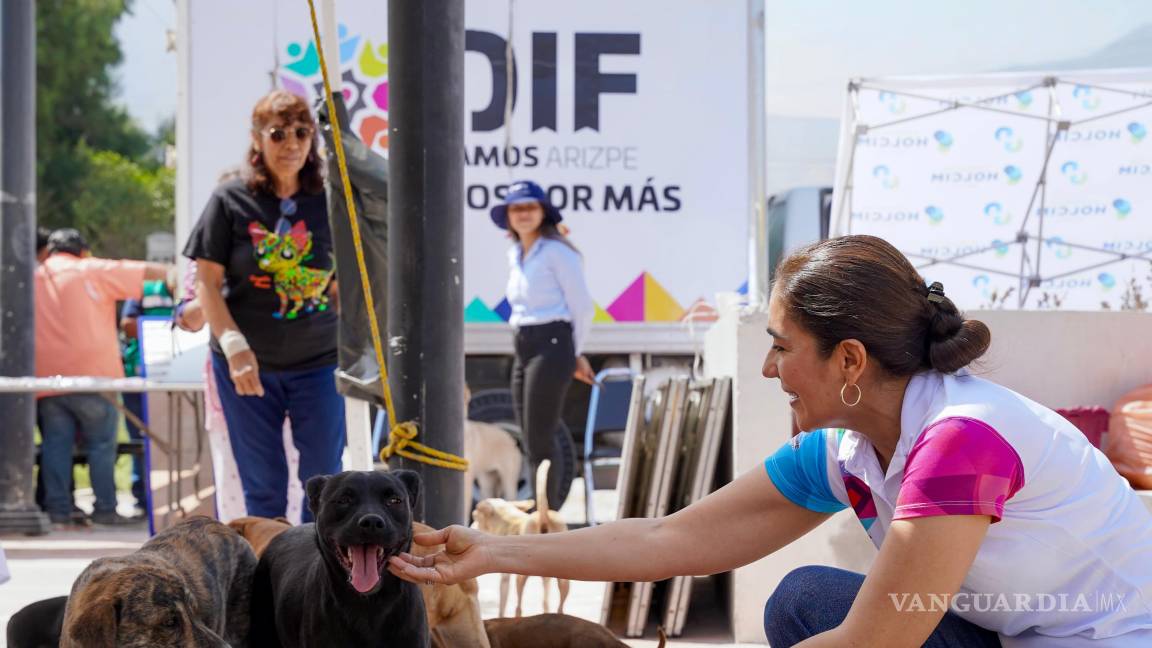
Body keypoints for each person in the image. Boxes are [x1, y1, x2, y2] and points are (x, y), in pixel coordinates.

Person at [390, 235, 1152, 647]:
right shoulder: (847, 447)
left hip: (1109, 637)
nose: (767, 369)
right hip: (1012, 630)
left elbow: (872, 644)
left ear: (849, 361)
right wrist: (490, 552)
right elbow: (668, 539)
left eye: (782, 347)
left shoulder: (961, 442)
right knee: (805, 600)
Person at [183, 89, 342, 521]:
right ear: (257, 139)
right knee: (263, 486)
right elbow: (207, 284)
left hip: (319, 361)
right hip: (246, 365)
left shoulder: (331, 200)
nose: (291, 144)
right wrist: (234, 347)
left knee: (325, 482)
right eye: (278, 134)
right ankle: (271, 563)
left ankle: (317, 562)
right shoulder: (229, 199)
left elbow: (349, 279)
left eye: (301, 133)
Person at [34, 229, 171, 526]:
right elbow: (149, 271)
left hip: (46, 379)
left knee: (56, 445)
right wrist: (182, 273)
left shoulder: (34, 276)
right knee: (101, 445)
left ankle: (58, 510)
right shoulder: (91, 269)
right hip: (95, 376)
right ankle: (105, 510)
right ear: (83, 251)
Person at [489, 180, 595, 507]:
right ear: (508, 216)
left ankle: (546, 518)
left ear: (543, 212)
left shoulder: (557, 251)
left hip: (552, 343)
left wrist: (575, 352)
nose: (523, 214)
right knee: (529, 436)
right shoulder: (515, 253)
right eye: (516, 208)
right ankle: (540, 513)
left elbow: (582, 307)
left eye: (530, 207)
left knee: (541, 438)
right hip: (524, 344)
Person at [119, 279, 176, 514]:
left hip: (179, 376)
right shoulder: (145, 289)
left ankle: (171, 497)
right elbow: (127, 324)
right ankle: (142, 497)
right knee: (141, 440)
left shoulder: (194, 288)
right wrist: (168, 330)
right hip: (141, 375)